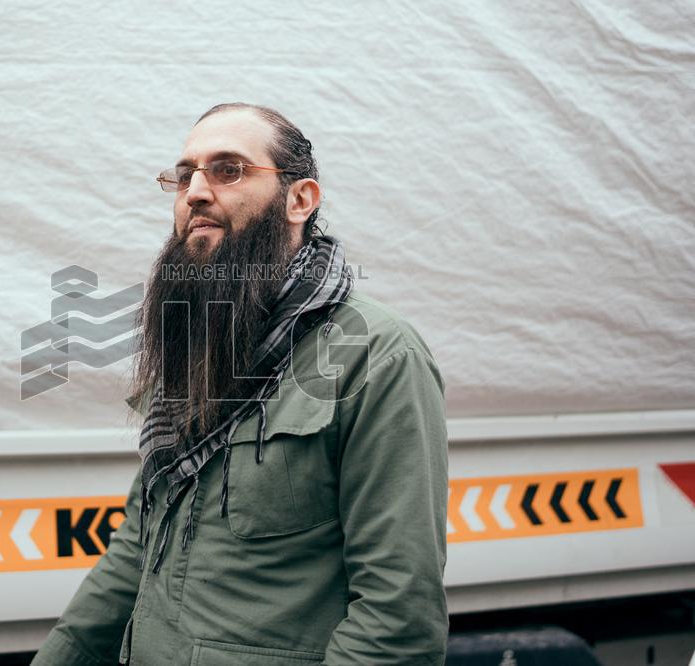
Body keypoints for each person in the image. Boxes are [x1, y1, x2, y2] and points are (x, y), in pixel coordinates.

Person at [32, 102, 449, 665]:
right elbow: (138, 544)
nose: (195, 193)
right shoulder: (198, 341)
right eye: (185, 176)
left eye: (227, 170)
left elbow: (397, 614)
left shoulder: (374, 354)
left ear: (299, 200)